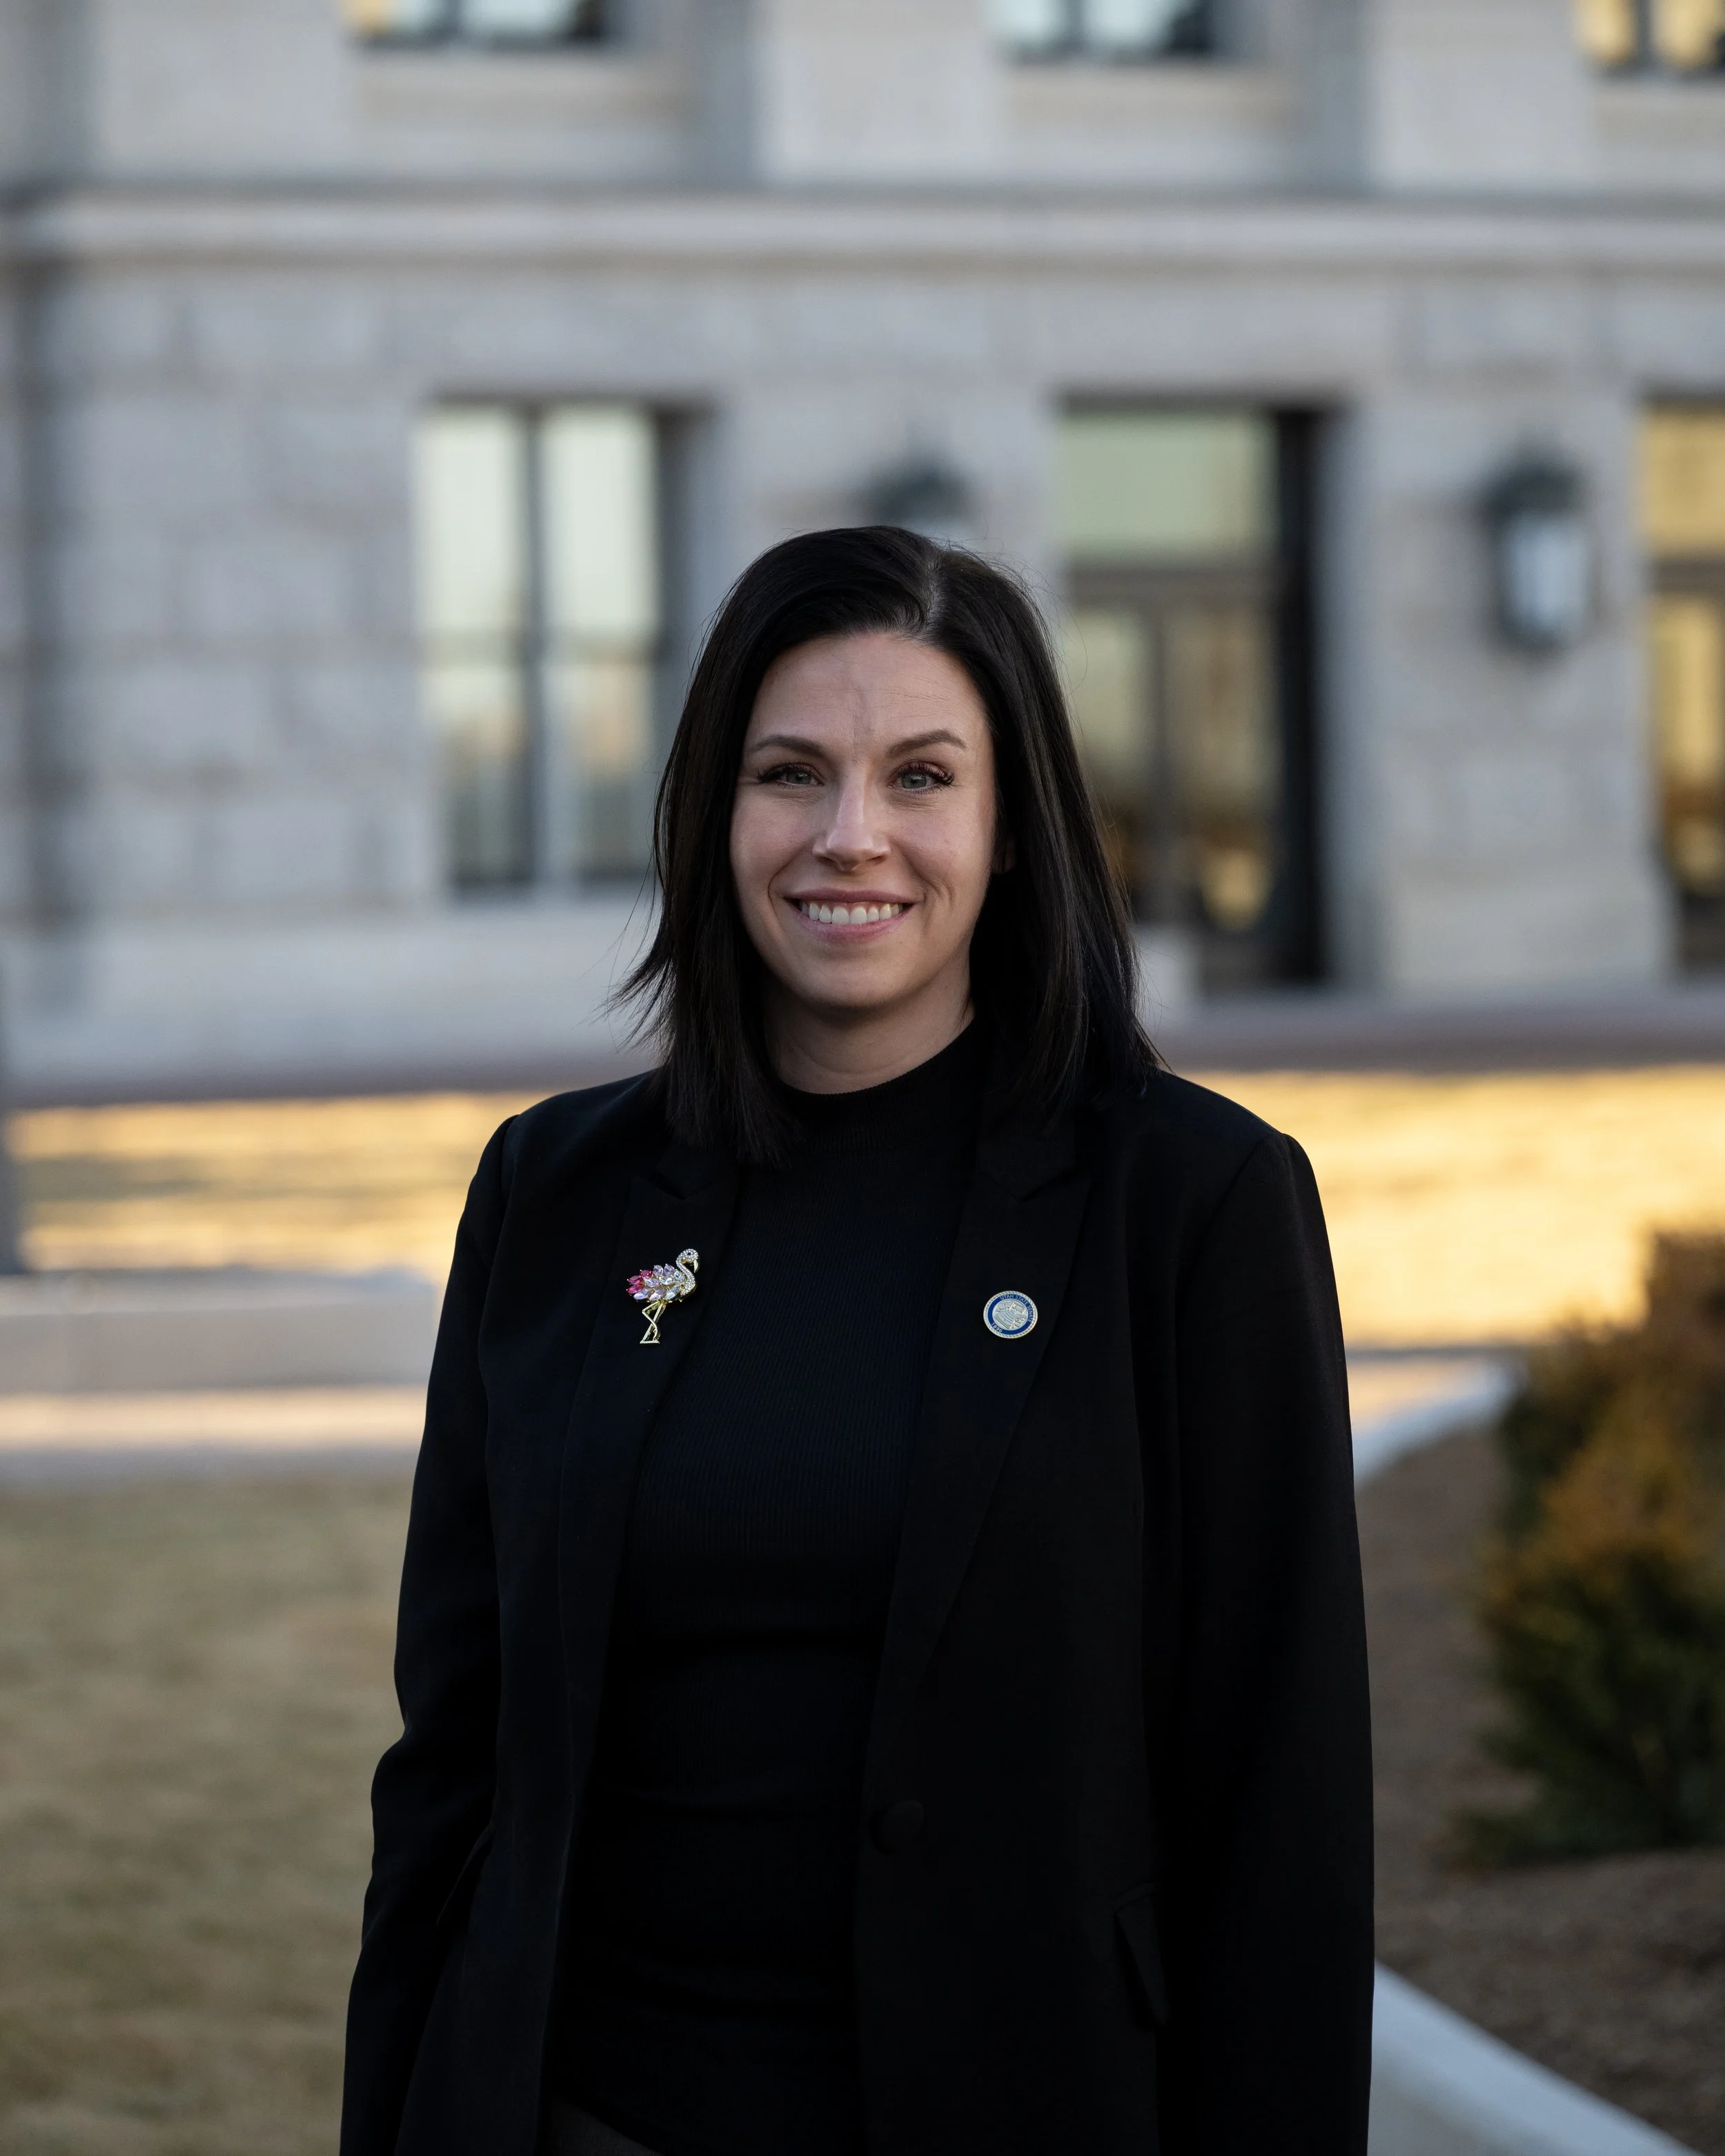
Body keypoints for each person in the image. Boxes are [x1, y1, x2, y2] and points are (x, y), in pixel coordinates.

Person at [340, 526, 1373, 2156]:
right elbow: (452, 1762)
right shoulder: (552, 1193)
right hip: (581, 2111)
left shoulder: (1193, 1204)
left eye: (919, 776)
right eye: (789, 773)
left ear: (1010, 826)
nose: (849, 836)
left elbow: (1280, 1808)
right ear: (711, 815)